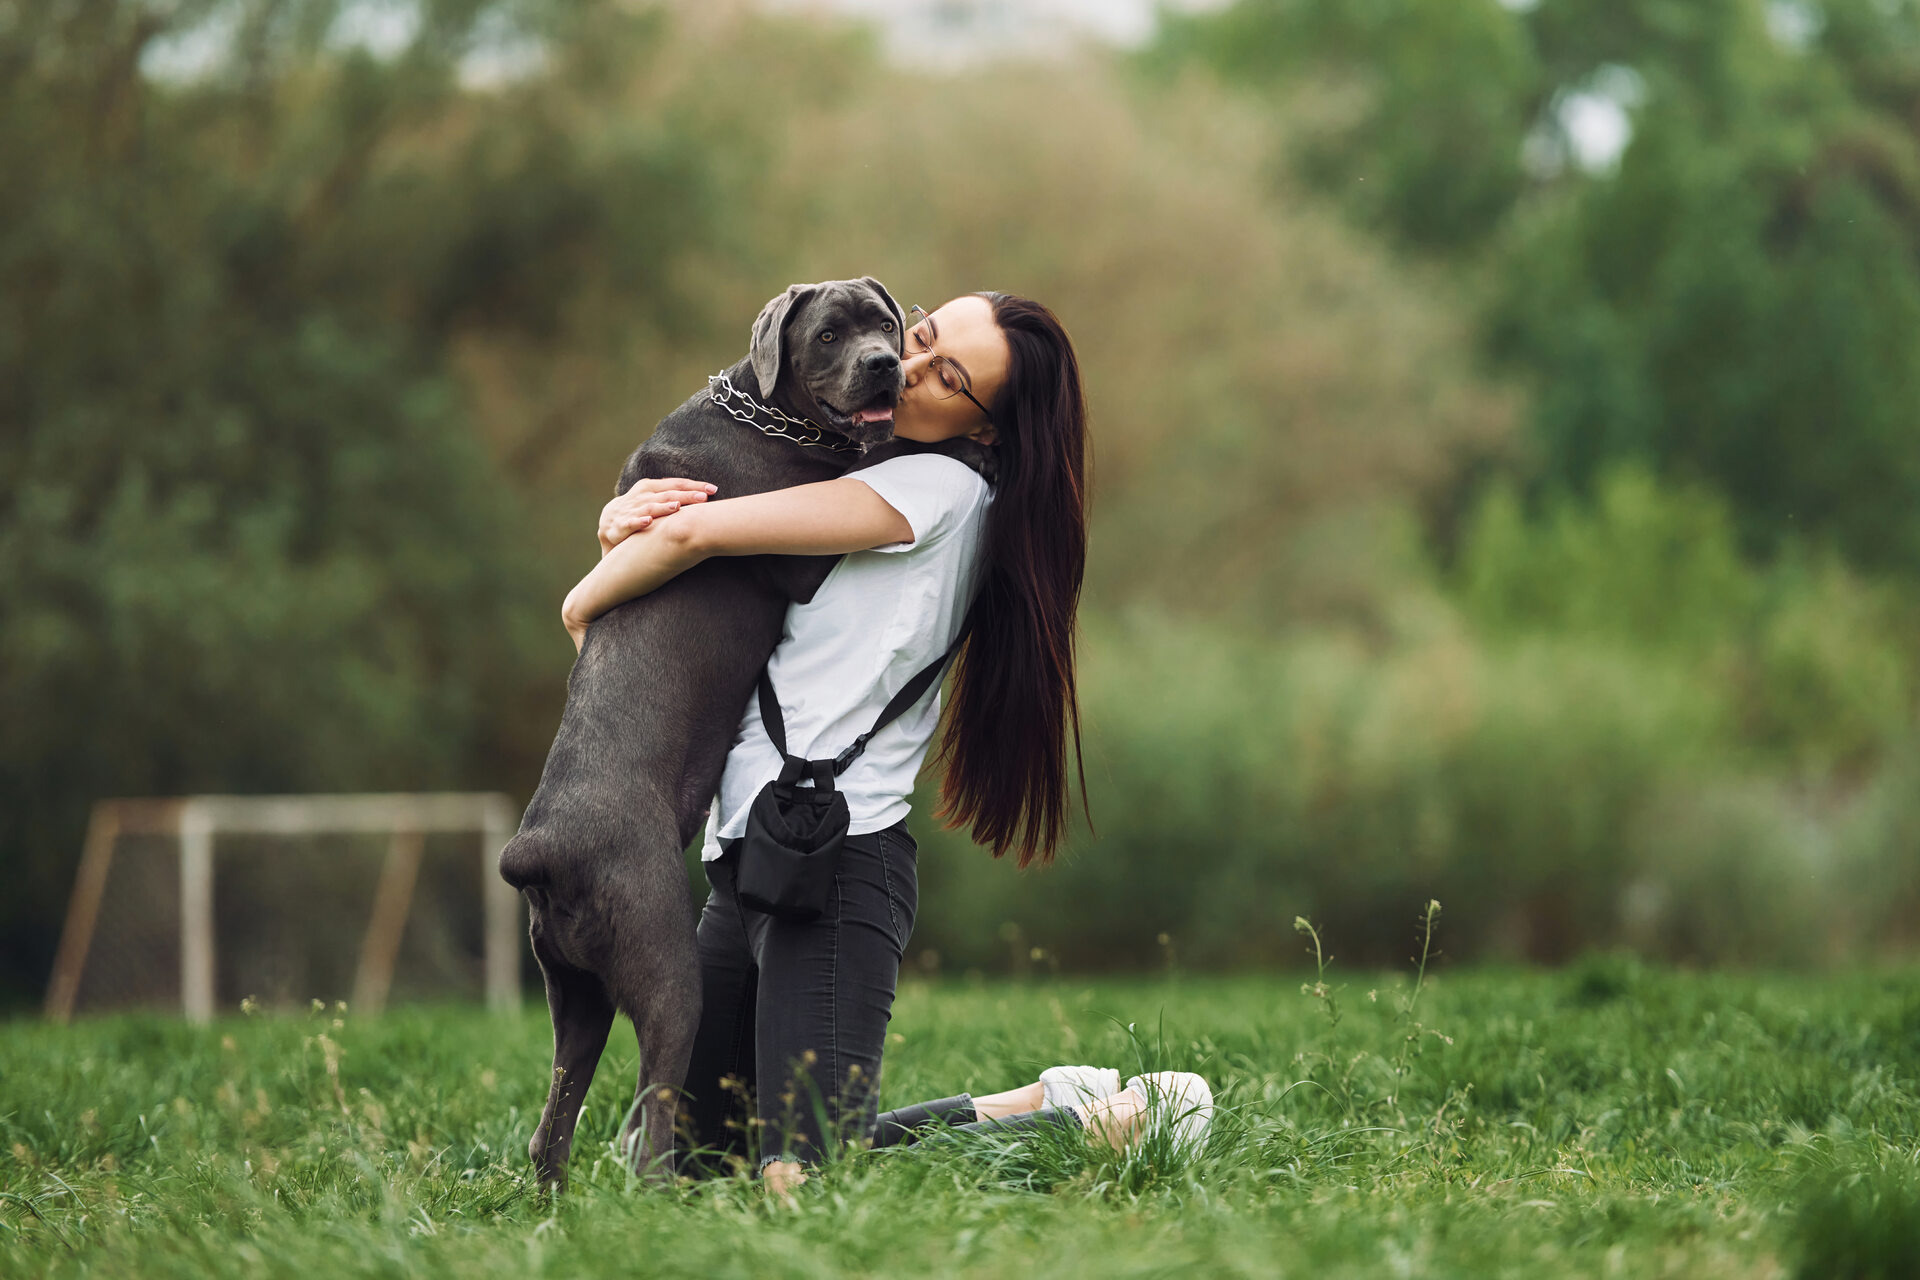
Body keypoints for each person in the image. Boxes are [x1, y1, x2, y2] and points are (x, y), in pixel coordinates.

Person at [561, 291, 1209, 1195]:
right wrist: (624, 526)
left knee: (802, 1184)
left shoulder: (935, 489)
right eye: (923, 338)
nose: (908, 368)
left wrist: (587, 591)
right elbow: (696, 587)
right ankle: (1036, 1105)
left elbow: (704, 530)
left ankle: (1104, 1125)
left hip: (838, 860)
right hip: (749, 850)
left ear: (986, 430)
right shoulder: (860, 476)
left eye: (950, 377)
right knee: (693, 1168)